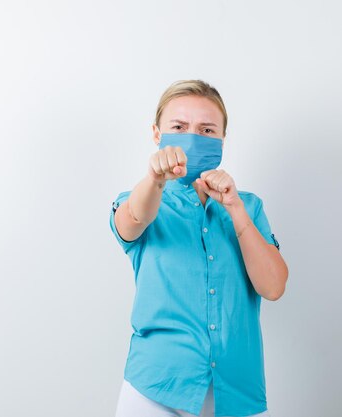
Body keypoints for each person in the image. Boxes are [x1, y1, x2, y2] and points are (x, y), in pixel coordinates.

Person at [110, 79, 288, 417]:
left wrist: (235, 209)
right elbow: (132, 218)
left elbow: (274, 286)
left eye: (207, 129)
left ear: (223, 138)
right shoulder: (143, 199)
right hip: (156, 390)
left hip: (237, 391)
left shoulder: (248, 206)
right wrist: (155, 179)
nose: (193, 138)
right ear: (157, 133)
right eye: (179, 127)